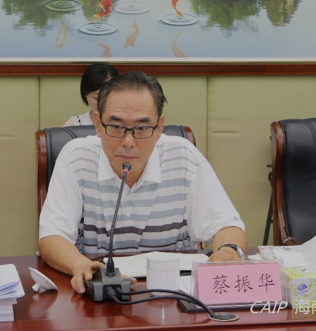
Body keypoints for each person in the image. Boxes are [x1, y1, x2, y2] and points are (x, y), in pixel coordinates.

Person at [40, 71, 247, 294]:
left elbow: (226, 225)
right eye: (116, 126)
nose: (128, 142)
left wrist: (228, 251)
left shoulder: (184, 157)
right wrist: (80, 265)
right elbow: (52, 236)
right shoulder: (75, 158)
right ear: (98, 124)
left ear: (159, 128)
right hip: (102, 294)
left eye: (141, 128)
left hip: (173, 295)